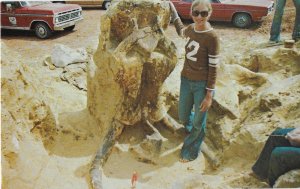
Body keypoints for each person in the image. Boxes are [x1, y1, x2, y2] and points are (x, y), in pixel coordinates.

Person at [169, 0, 220, 162]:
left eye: (204, 13)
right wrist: (172, 9)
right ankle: (194, 133)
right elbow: (181, 30)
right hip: (185, 80)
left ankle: (191, 150)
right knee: (183, 116)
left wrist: (209, 94)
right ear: (191, 13)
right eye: (196, 13)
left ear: (209, 13)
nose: (199, 17)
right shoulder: (191, 29)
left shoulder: (212, 37)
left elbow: (213, 68)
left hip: (202, 85)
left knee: (199, 122)